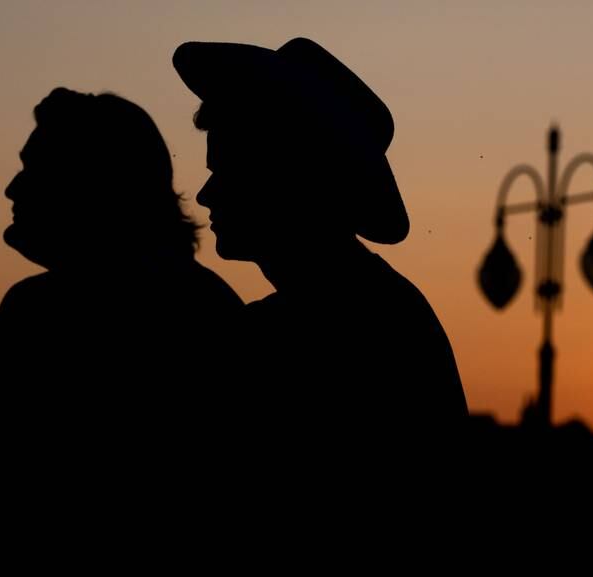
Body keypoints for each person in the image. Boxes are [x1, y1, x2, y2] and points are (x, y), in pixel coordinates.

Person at [173, 38, 467, 429]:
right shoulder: (383, 309)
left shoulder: (295, 338)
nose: (207, 194)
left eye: (227, 171)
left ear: (287, 178)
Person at [0, 88, 242, 385]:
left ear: (97, 186)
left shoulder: (39, 311)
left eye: (38, 169)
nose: (12, 189)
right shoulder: (206, 305)